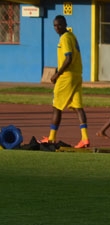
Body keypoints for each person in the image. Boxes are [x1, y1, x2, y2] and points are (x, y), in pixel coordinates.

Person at [40, 15, 90, 149]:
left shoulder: (65, 38)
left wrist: (57, 74)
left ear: (65, 24)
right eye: (55, 25)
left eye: (59, 25)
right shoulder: (72, 36)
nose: (57, 28)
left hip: (67, 77)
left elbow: (68, 58)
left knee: (57, 107)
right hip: (77, 75)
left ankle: (51, 138)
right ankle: (85, 138)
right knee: (78, 107)